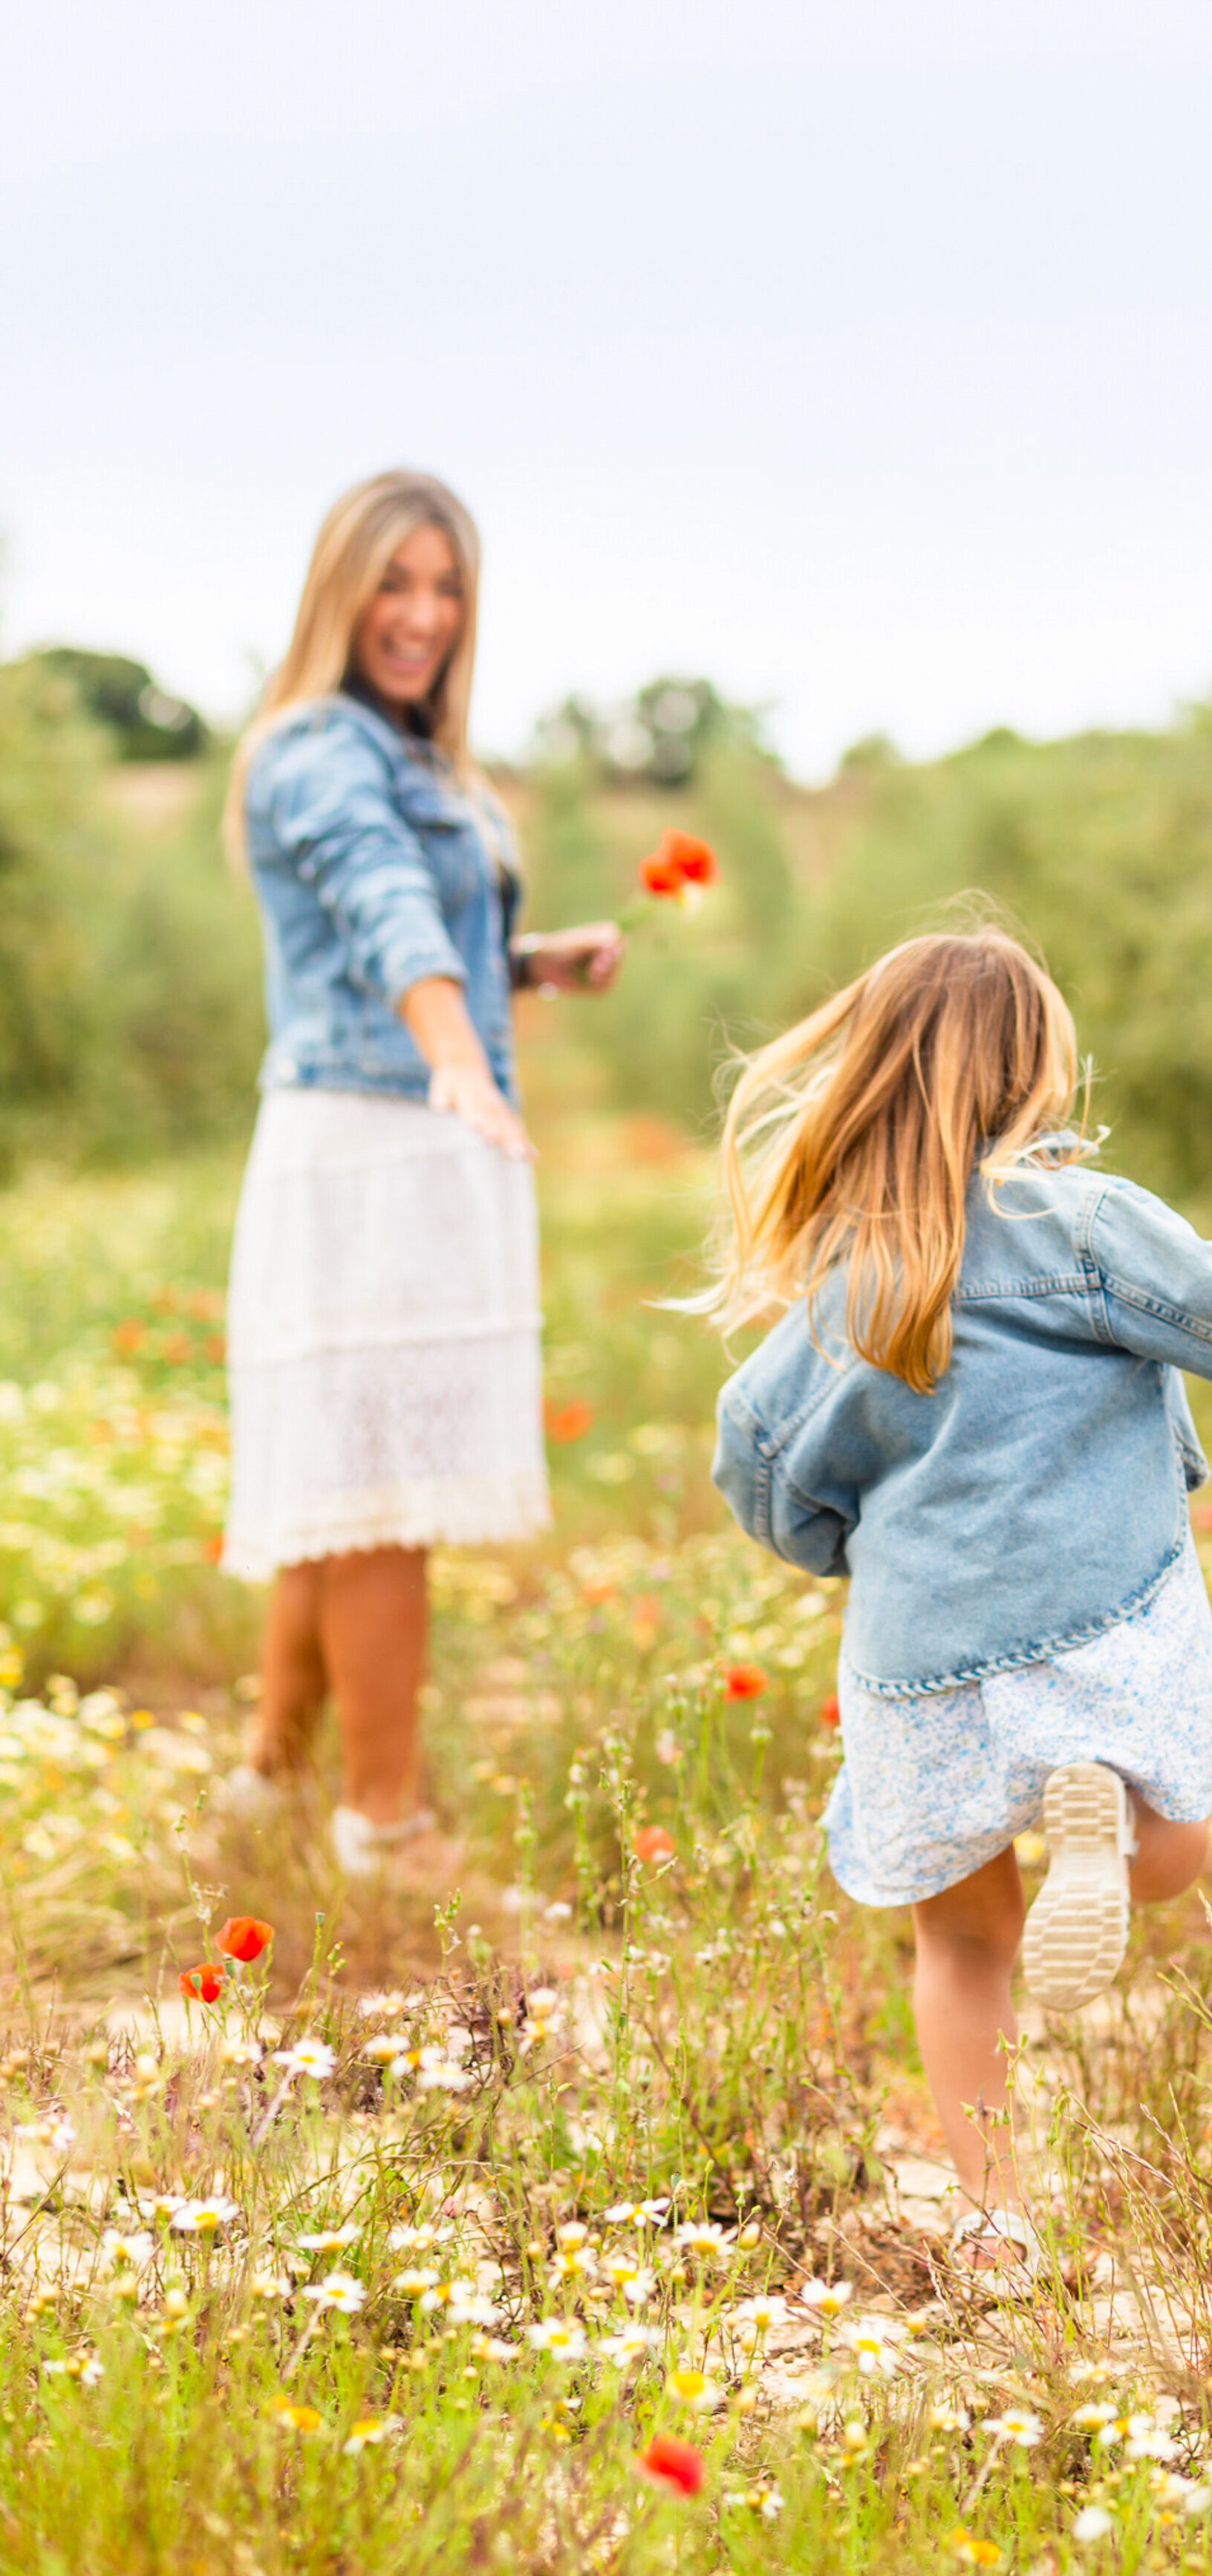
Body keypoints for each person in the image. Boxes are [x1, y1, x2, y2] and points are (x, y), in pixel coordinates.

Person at [704, 926, 1212, 2267]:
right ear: (1040, 1070)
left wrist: (838, 1546)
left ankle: (994, 2217)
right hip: (1099, 1615)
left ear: (869, 1080)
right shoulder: (1080, 1221)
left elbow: (756, 1452)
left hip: (920, 1654)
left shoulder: (845, 1279)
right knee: (1171, 1847)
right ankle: (1102, 1812)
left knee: (961, 1943)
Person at [219, 468, 625, 1878]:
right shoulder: (321, 748)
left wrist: (522, 970)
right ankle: (382, 1825)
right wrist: (454, 1039)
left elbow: (399, 930)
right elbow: (378, 901)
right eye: (393, 582)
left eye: (445, 586)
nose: (422, 614)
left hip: (390, 1119)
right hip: (376, 1142)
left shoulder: (407, 751)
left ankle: (270, 1784)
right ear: (339, 592)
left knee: (340, 1481)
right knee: (383, 1491)